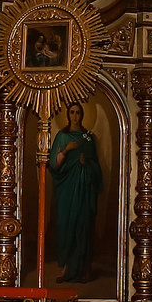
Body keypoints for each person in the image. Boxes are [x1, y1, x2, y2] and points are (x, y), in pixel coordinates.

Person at [46, 102, 103, 284]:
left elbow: (97, 167)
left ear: (83, 115)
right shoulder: (62, 136)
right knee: (65, 227)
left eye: (78, 112)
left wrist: (87, 163)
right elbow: (54, 165)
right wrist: (66, 150)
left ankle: (84, 270)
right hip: (66, 191)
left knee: (83, 227)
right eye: (72, 112)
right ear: (68, 115)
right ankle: (66, 270)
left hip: (84, 190)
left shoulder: (88, 138)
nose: (75, 116)